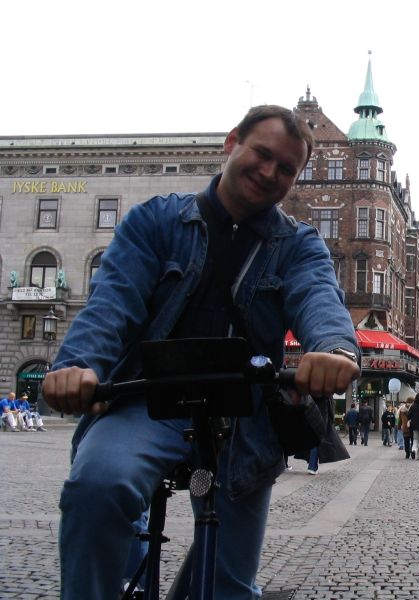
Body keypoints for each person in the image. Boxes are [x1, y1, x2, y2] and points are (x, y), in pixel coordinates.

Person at [42, 104, 361, 600]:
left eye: (286, 168)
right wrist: (78, 366)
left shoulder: (298, 245)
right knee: (99, 487)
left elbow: (319, 297)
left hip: (242, 421)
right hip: (148, 402)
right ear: (231, 142)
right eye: (262, 154)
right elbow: (111, 304)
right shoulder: (156, 221)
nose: (269, 172)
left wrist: (335, 349)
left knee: (229, 588)